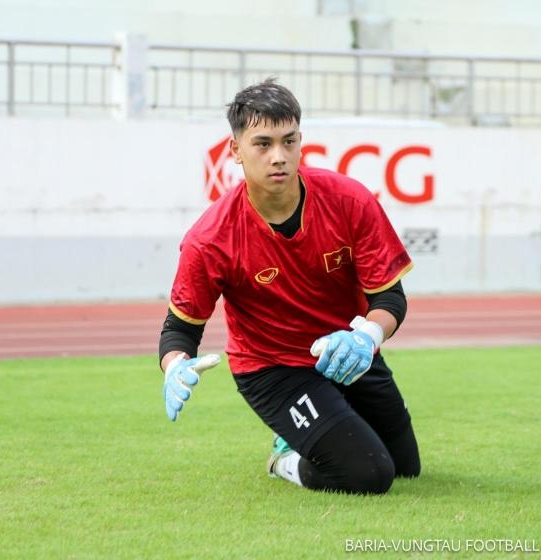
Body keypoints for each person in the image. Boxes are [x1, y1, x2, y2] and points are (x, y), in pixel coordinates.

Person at [159, 79, 420, 494]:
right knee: (369, 474)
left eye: (288, 141)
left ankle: (324, 422)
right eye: (262, 144)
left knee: (406, 468)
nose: (278, 156)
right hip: (273, 369)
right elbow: (180, 329)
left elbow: (389, 297)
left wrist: (366, 337)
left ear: (301, 142)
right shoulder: (209, 238)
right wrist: (174, 365)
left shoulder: (350, 201)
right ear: (236, 150)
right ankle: (285, 458)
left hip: (345, 354)